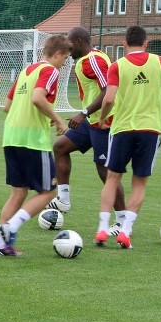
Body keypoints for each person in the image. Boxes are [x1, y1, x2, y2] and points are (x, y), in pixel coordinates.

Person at [95, 25, 161, 249]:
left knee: (112, 179)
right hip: (150, 130)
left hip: (122, 129)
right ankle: (125, 232)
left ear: (125, 44)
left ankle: (102, 229)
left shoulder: (117, 65)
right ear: (146, 43)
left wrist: (103, 118)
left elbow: (108, 99)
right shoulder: (160, 62)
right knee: (139, 183)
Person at [0, 34, 72, 256]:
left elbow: (7, 105)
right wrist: (57, 120)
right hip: (32, 140)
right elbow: (37, 98)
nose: (63, 66)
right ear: (57, 54)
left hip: (11, 136)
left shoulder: (26, 71)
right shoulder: (49, 71)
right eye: (64, 60)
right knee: (48, 192)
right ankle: (11, 227)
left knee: (18, 192)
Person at [46, 27, 125, 222]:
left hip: (105, 121)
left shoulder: (94, 60)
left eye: (70, 46)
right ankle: (63, 200)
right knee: (60, 147)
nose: (68, 50)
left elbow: (108, 90)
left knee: (105, 171)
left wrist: (83, 113)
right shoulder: (85, 60)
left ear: (80, 41)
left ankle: (122, 219)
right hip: (92, 121)